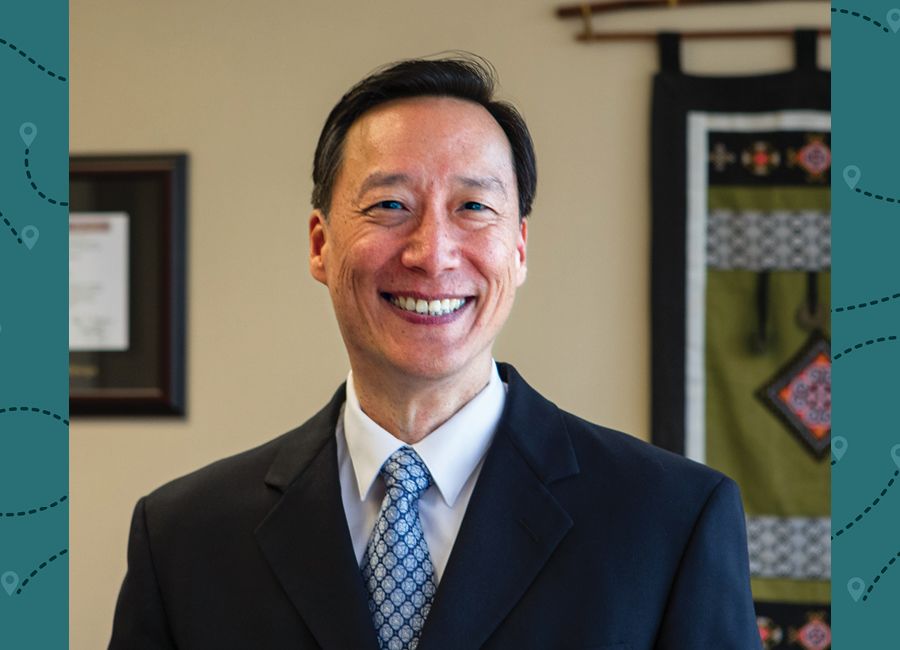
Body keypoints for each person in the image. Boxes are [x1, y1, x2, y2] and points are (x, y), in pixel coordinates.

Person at [109, 55, 761, 650]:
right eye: (389, 205)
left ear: (519, 249)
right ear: (319, 244)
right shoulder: (182, 538)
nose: (432, 253)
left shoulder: (670, 522)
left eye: (473, 207)